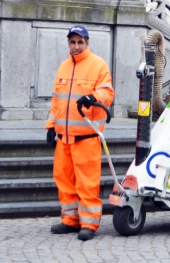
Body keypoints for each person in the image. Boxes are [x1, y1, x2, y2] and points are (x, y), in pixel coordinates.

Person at [45, 25, 114, 241]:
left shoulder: (98, 64)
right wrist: (50, 126)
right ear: (69, 44)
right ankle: (70, 221)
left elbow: (107, 92)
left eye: (80, 42)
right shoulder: (63, 67)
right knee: (64, 180)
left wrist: (94, 97)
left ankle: (89, 224)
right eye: (72, 42)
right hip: (64, 138)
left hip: (87, 137)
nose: (76, 46)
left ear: (87, 43)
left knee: (86, 183)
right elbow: (57, 101)